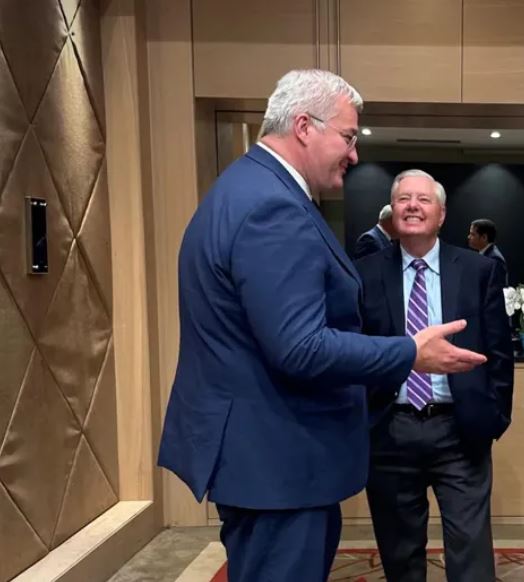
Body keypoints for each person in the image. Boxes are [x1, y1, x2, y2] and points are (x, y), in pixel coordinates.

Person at [157, 70, 486, 582]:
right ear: (305, 126)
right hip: (277, 461)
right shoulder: (272, 207)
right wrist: (409, 353)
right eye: (348, 137)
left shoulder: (245, 187)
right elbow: (300, 347)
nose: (354, 154)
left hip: (264, 456)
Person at [355, 169, 514, 582]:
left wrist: (494, 419)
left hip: (460, 431)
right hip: (390, 431)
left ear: (441, 214)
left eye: (423, 199)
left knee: (471, 555)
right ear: (392, 212)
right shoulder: (364, 273)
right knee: (400, 554)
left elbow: (500, 352)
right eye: (403, 199)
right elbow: (355, 351)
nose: (412, 206)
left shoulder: (478, 270)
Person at [467, 218, 508, 284]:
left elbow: (496, 287)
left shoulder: (495, 259)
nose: (468, 237)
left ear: (484, 237)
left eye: (472, 234)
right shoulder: (483, 254)